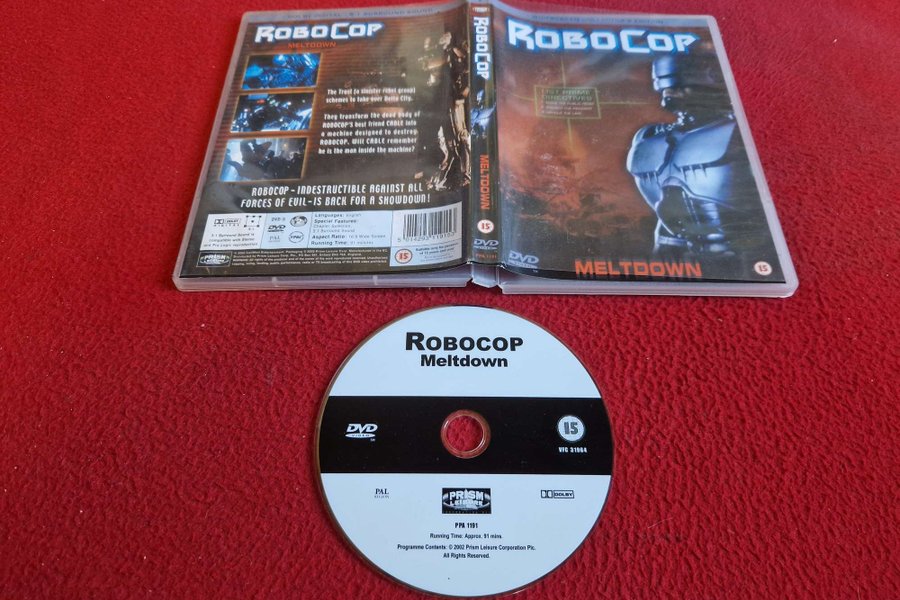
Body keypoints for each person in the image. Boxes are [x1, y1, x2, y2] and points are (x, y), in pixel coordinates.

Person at [627, 50, 758, 263]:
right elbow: (667, 215)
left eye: (677, 88)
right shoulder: (648, 137)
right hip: (679, 254)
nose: (670, 94)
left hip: (744, 255)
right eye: (668, 88)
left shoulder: (738, 130)